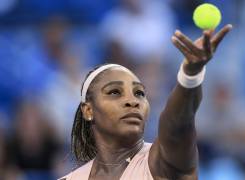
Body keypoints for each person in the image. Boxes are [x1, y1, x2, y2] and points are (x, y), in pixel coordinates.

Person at [59, 24, 232, 180]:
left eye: (139, 93)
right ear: (88, 110)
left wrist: (190, 75)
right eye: (114, 92)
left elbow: (177, 125)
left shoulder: (164, 163)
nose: (132, 101)